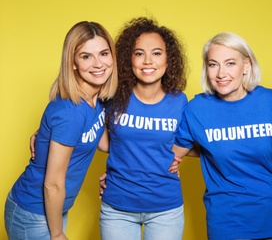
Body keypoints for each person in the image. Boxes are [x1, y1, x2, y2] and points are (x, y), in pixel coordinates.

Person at [170, 32, 272, 240]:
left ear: (246, 65)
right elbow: (168, 155)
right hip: (226, 223)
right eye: (213, 64)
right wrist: (119, 173)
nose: (221, 73)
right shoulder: (197, 109)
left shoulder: (271, 101)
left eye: (230, 63)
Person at [5, 21, 118, 240]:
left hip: (53, 208)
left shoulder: (96, 102)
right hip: (33, 212)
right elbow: (53, 183)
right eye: (86, 56)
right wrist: (57, 234)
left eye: (103, 53)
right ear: (73, 63)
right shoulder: (70, 113)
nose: (98, 63)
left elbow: (103, 143)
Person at [98, 17, 188, 240]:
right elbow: (91, 130)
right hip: (118, 207)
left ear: (169, 59)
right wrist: (44, 132)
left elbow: (192, 141)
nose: (148, 61)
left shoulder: (180, 101)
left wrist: (178, 154)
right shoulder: (113, 96)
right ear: (129, 59)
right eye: (139, 53)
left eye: (157, 53)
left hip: (165, 208)